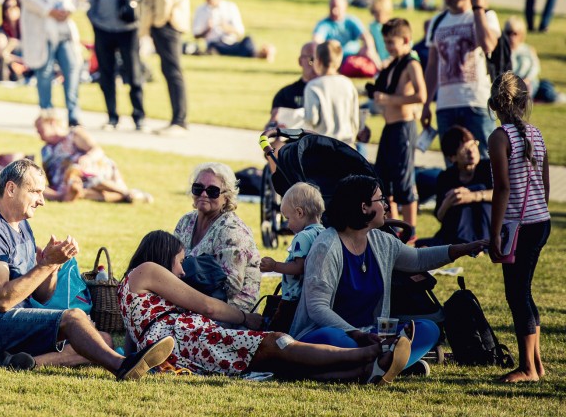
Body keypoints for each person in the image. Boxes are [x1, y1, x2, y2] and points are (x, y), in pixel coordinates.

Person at [0, 159, 175, 377]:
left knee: (101, 340)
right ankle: (124, 366)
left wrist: (52, 266)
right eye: (35, 192)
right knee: (74, 318)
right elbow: (2, 299)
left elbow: (42, 295)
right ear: (11, 188)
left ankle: (22, 364)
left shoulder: (22, 226)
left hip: (6, 325)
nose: (41, 200)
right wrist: (46, 263)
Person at [119, 228, 404, 381]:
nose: (181, 271)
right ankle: (371, 352)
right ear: (163, 254)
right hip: (188, 339)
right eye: (180, 261)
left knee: (282, 365)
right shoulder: (148, 269)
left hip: (176, 349)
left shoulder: (127, 288)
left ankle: (368, 371)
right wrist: (246, 318)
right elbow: (209, 307)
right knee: (277, 343)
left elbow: (134, 341)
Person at [290, 175, 487, 375]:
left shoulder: (381, 241)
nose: (386, 206)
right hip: (334, 336)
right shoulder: (327, 246)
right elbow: (317, 308)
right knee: (332, 338)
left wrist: (462, 248)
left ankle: (381, 365)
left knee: (427, 329)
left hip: (371, 335)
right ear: (364, 207)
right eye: (380, 200)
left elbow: (418, 259)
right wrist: (356, 334)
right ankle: (389, 364)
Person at [487, 73, 551, 383]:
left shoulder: (499, 137)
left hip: (518, 226)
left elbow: (502, 188)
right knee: (523, 291)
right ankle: (535, 363)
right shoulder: (536, 134)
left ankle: (528, 368)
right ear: (524, 102)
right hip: (540, 222)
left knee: (517, 294)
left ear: (493, 104)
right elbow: (545, 184)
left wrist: (494, 231)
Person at [422, 0, 501, 160]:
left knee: (484, 164)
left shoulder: (486, 16)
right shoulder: (438, 21)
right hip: (446, 105)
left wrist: (477, 7)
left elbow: (488, 45)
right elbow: (432, 66)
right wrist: (425, 103)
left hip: (476, 103)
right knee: (452, 166)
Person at [173, 162, 260, 310]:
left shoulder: (232, 231)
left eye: (212, 191)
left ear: (226, 197)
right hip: (191, 299)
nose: (203, 194)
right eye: (198, 188)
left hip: (228, 310)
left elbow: (230, 287)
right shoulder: (186, 221)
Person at [17, 0, 81, 127]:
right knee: (44, 71)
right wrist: (48, 10)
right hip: (42, 27)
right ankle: (47, 111)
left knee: (71, 66)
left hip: (63, 28)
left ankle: (73, 112)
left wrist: (68, 9)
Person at [89, 0, 147, 131]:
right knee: (106, 73)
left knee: (133, 73)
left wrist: (143, 21)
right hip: (103, 25)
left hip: (128, 27)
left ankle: (139, 116)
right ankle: (112, 116)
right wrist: (92, 15)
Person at [370, 19, 426, 227]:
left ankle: (410, 230)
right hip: (390, 127)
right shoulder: (394, 63)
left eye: (391, 42)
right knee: (383, 181)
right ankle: (393, 226)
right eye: (385, 43)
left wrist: (389, 100)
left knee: (404, 182)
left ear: (406, 40)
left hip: (404, 127)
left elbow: (422, 94)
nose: (388, 47)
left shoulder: (412, 63)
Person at [141, 0, 189, 134]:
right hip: (169, 18)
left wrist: (158, 20)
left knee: (173, 71)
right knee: (171, 70)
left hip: (167, 20)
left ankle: (179, 120)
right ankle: (177, 119)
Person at [35, 115, 147, 203]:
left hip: (88, 170)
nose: (38, 132)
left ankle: (125, 193)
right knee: (35, 187)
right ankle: (126, 196)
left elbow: (97, 150)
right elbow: (48, 174)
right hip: (66, 182)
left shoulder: (74, 134)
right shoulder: (45, 150)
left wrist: (86, 158)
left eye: (40, 128)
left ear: (52, 122)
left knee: (77, 171)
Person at [259, 183, 324, 331]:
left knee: (277, 330)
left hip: (293, 298)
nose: (287, 225)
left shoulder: (302, 237)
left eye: (288, 218)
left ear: (300, 213)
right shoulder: (324, 232)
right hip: (313, 296)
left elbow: (299, 267)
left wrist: (274, 266)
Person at [431, 126, 492, 246]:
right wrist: (448, 202)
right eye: (465, 149)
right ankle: (466, 244)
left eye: (473, 145)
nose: (471, 152)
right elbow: (440, 216)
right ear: (452, 157)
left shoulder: (488, 168)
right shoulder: (446, 177)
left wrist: (473, 196)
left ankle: (479, 244)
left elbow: (502, 194)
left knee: (480, 200)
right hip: (456, 230)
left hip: (488, 227)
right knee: (459, 204)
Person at [192, 0, 274, 61]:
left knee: (248, 40)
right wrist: (208, 29)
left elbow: (240, 32)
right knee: (215, 48)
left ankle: (259, 53)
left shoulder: (230, 7)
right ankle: (256, 54)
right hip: (215, 44)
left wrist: (228, 28)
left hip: (231, 42)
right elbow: (196, 35)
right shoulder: (201, 10)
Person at [304, 40, 360, 147]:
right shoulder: (348, 84)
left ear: (318, 60)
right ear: (338, 61)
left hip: (322, 146)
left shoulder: (313, 86)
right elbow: (355, 120)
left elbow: (311, 119)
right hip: (347, 146)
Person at [313, 0, 379, 78]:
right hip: (339, 60)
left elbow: (366, 36)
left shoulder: (351, 21)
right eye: (332, 7)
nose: (334, 11)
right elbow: (317, 40)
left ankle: (379, 69)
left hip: (355, 56)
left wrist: (369, 49)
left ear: (345, 7)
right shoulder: (324, 24)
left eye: (337, 7)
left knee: (367, 53)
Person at [269, 41, 317, 130]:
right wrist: (274, 127)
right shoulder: (286, 94)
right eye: (311, 59)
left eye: (320, 59)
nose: (316, 64)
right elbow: (272, 123)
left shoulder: (330, 92)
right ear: (300, 61)